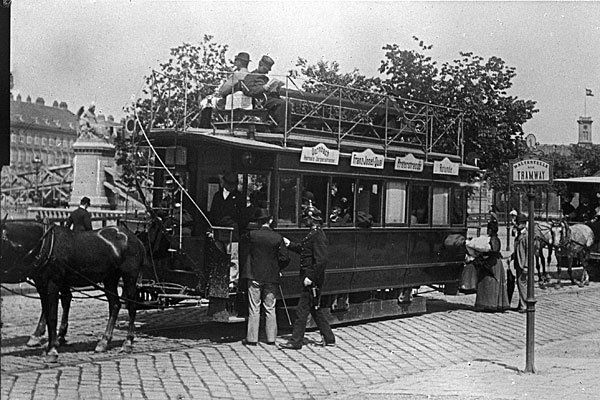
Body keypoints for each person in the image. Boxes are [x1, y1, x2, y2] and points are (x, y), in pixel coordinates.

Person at [279, 202, 336, 350]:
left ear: (312, 219)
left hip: (312, 280)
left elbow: (321, 260)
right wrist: (290, 244)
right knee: (314, 308)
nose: (305, 220)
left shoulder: (317, 235)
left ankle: (296, 341)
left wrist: (310, 277)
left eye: (306, 218)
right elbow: (305, 250)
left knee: (302, 310)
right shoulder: (313, 233)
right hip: (311, 278)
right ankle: (329, 338)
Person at [240, 208, 290, 346]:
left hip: (254, 275)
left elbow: (244, 252)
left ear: (258, 222)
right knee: (270, 308)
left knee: (254, 308)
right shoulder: (277, 237)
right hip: (271, 277)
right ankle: (271, 338)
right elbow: (285, 258)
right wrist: (278, 268)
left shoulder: (251, 235)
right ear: (271, 220)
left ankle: (252, 339)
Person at [241, 55, 287, 132]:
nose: (268, 71)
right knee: (283, 104)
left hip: (268, 98)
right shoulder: (251, 76)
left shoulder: (265, 78)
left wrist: (277, 88)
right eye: (266, 69)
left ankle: (282, 128)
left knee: (286, 103)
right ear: (260, 64)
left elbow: (269, 92)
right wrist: (263, 88)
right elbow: (248, 91)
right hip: (259, 100)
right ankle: (280, 129)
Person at [474, 221, 510, 312]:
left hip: (493, 263)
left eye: (488, 229)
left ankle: (490, 304)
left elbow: (494, 251)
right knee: (490, 282)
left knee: (491, 283)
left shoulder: (494, 239)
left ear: (490, 230)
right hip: (494, 261)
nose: (487, 231)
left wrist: (484, 255)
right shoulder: (494, 238)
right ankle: (490, 303)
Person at [209, 172, 244, 239]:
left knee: (232, 245)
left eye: (234, 184)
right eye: (229, 184)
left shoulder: (239, 196)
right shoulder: (217, 195)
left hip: (232, 229)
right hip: (218, 227)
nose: (232, 187)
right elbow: (213, 211)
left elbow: (241, 213)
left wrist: (232, 220)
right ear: (225, 183)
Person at [510, 213, 529, 313]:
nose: (516, 225)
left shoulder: (526, 236)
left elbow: (529, 252)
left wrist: (526, 266)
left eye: (518, 223)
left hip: (523, 264)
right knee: (520, 283)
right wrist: (512, 256)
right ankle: (521, 303)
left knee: (522, 284)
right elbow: (518, 248)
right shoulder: (520, 234)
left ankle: (524, 305)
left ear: (523, 224)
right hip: (518, 262)